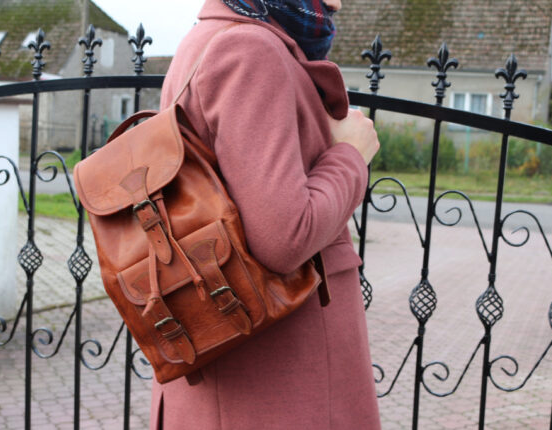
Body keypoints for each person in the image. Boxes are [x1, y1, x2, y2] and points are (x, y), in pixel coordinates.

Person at [151, 0, 381, 428]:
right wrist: (351, 155)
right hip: (278, 381)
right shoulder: (249, 49)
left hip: (244, 367)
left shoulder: (210, 37)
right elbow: (284, 237)